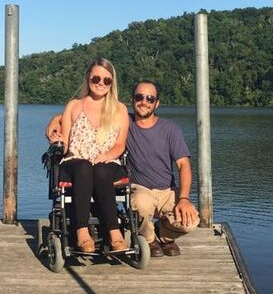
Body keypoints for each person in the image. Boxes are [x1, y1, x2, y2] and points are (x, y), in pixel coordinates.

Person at [48, 80, 199, 257]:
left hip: (167, 191)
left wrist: (184, 198)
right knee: (141, 204)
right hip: (141, 189)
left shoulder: (170, 129)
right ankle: (149, 240)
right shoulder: (125, 121)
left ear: (157, 103)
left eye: (150, 99)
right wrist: (55, 120)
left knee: (191, 220)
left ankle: (163, 236)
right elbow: (85, 114)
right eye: (139, 97)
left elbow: (184, 165)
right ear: (133, 100)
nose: (144, 102)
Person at [57, 58, 130, 254]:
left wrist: (106, 155)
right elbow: (64, 141)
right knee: (84, 167)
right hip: (76, 161)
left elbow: (120, 144)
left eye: (107, 80)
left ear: (112, 83)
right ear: (88, 78)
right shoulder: (74, 105)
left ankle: (114, 232)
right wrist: (53, 132)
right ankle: (81, 231)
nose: (101, 83)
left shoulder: (119, 109)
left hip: (107, 160)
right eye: (96, 78)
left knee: (101, 170)